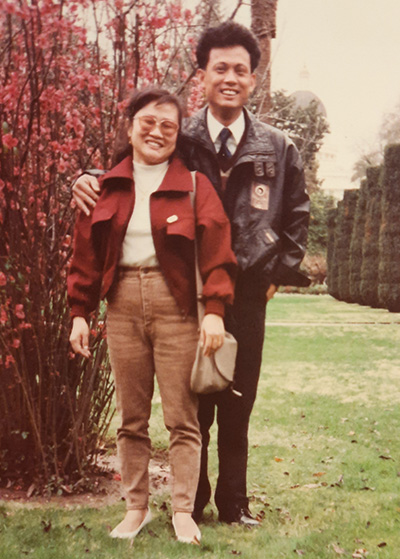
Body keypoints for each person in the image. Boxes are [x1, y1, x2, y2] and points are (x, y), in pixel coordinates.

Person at [72, 21, 310, 526]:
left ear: (254, 80)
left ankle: (234, 502)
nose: (230, 78)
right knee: (194, 399)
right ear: (200, 75)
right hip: (185, 285)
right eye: (219, 68)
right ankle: (192, 502)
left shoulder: (278, 146)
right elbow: (132, 166)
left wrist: (277, 275)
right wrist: (86, 178)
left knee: (238, 397)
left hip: (246, 291)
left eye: (240, 70)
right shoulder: (183, 134)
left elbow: (297, 216)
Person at [67, 87, 237, 544]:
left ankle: (183, 510)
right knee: (131, 419)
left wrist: (214, 311)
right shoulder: (105, 186)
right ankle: (136, 508)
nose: (157, 131)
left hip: (176, 306)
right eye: (148, 122)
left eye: (168, 125)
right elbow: (85, 255)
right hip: (121, 303)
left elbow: (218, 252)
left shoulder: (194, 186)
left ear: (178, 134)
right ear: (130, 127)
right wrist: (79, 313)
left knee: (184, 418)